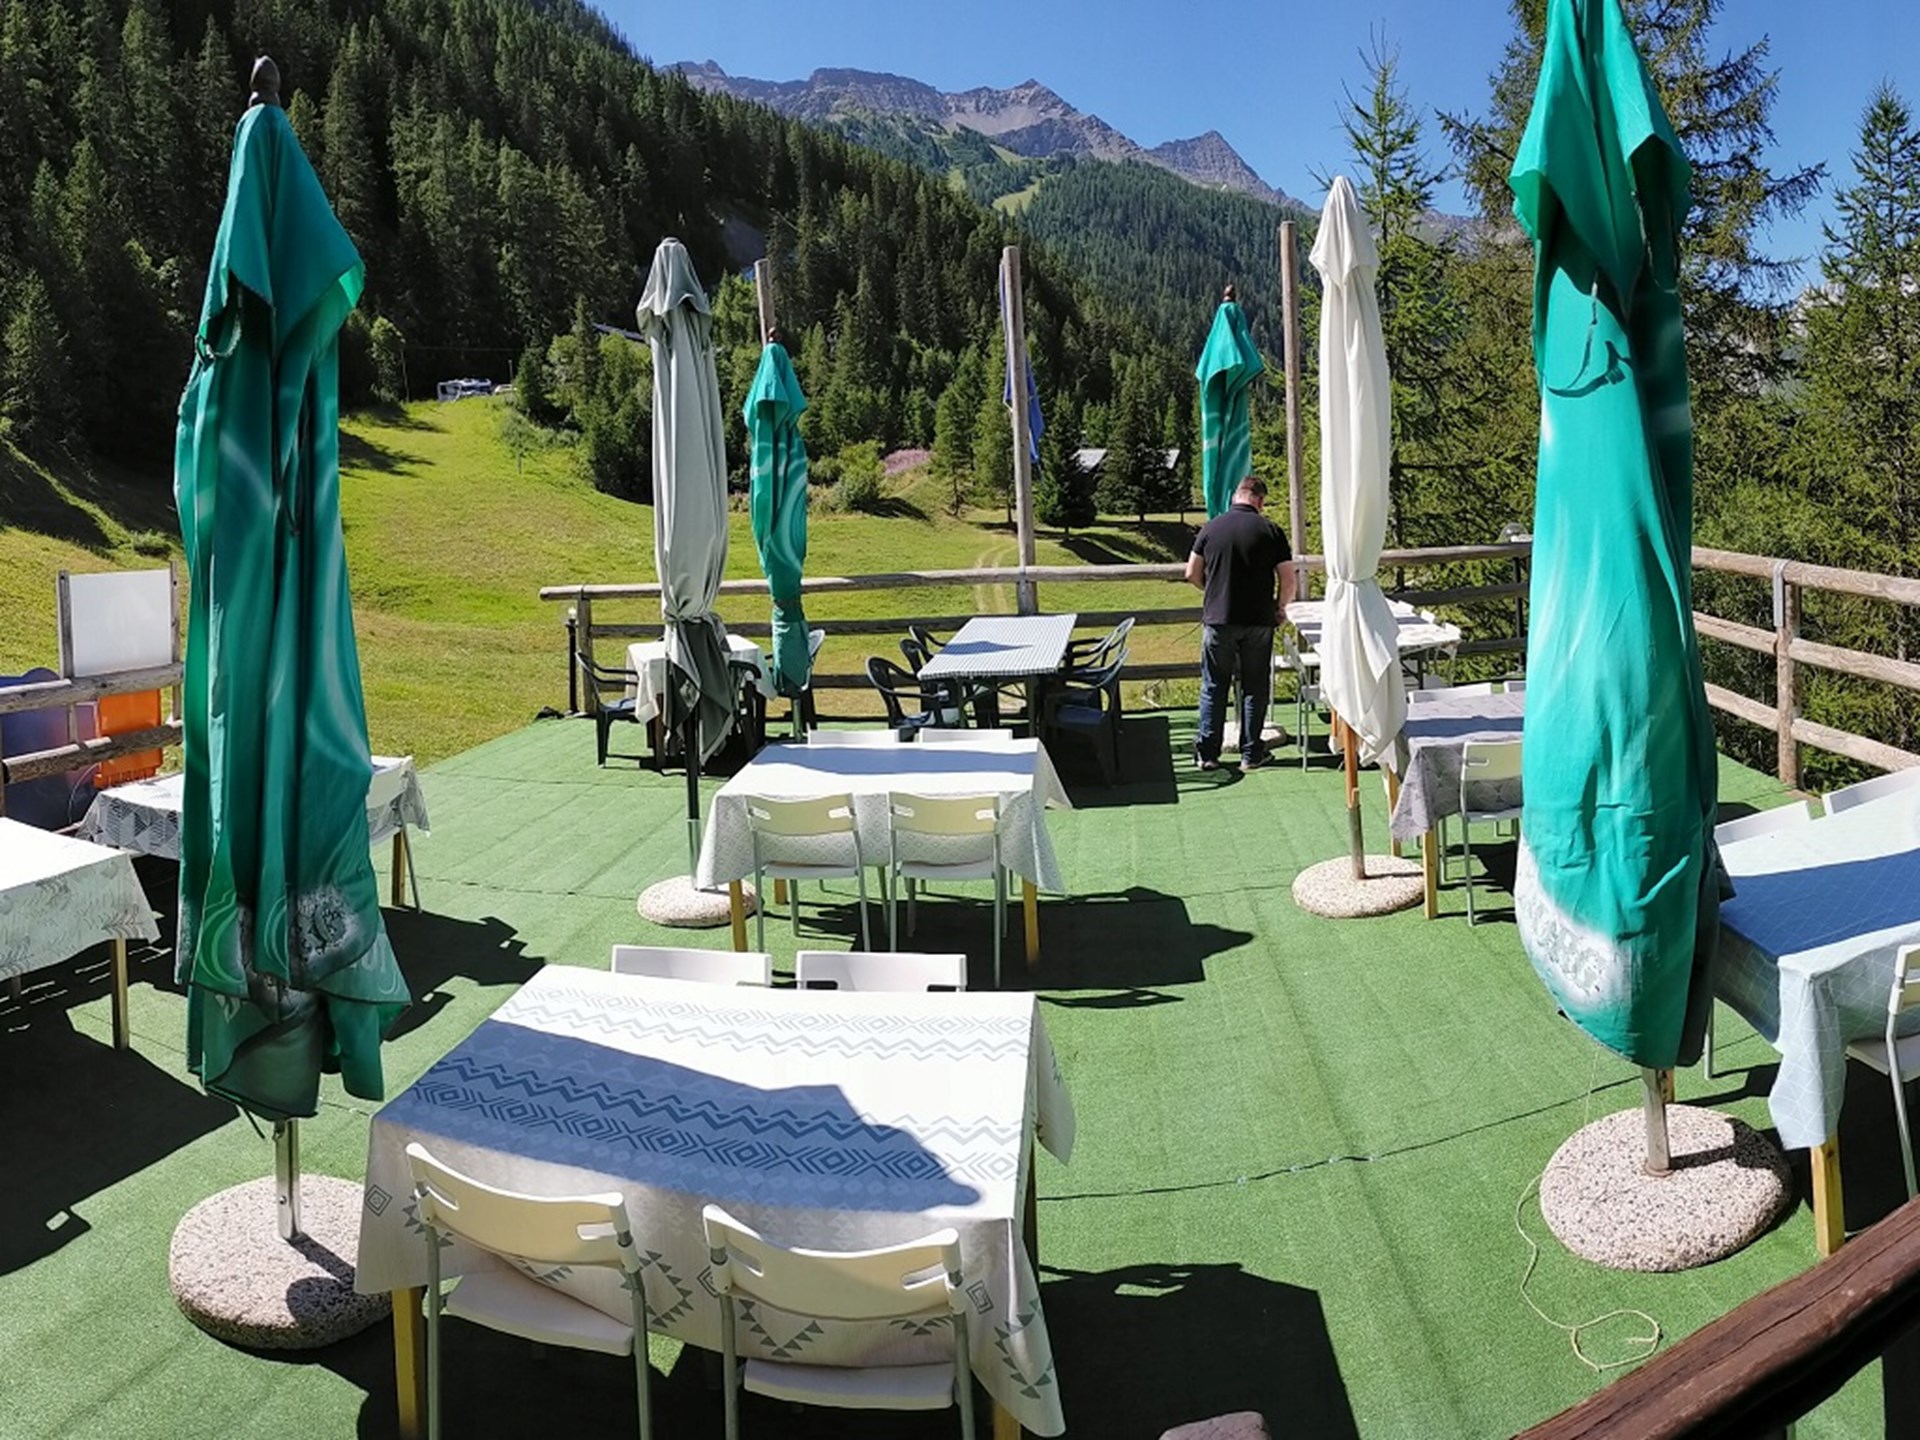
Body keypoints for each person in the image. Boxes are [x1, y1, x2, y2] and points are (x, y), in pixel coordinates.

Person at [1185, 474, 1295, 772]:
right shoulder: (1271, 530)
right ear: (1259, 500)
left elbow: (1191, 572)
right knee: (1254, 686)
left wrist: (1211, 590)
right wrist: (1280, 607)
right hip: (1258, 620)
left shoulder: (1211, 527)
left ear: (1236, 496)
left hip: (1218, 619)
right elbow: (1288, 578)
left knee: (1213, 685)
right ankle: (1251, 753)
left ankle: (1208, 754)